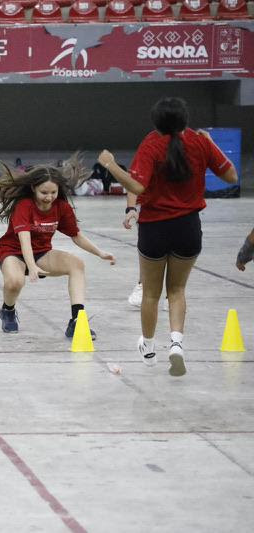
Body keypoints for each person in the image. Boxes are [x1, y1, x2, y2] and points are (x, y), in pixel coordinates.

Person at [99, 96, 237, 376]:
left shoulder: (151, 143)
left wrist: (111, 165)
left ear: (156, 122)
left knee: (151, 293)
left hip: (155, 228)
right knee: (177, 290)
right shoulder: (200, 142)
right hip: (188, 227)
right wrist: (211, 144)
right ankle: (176, 344)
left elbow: (137, 186)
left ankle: (149, 348)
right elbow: (231, 176)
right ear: (185, 119)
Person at [0, 156, 115, 338]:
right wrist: (31, 266)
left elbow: (76, 235)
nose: (49, 197)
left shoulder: (61, 207)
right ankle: (8, 310)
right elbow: (24, 240)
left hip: (41, 252)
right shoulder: (24, 206)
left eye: (53, 192)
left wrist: (100, 253)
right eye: (44, 192)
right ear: (33, 188)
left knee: (77, 265)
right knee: (15, 282)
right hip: (13, 251)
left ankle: (77, 321)